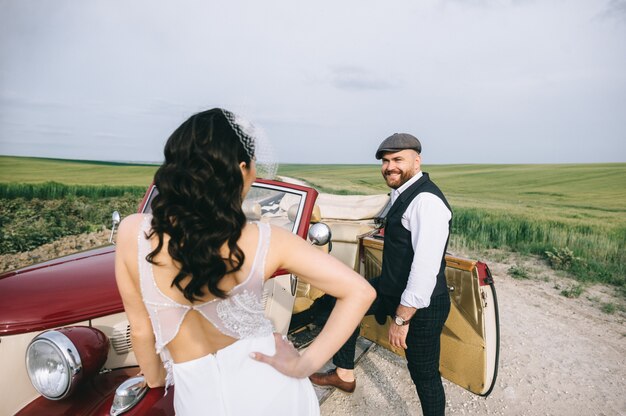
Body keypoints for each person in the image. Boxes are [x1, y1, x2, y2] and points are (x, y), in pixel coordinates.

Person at [114, 108, 376, 416]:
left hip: (197, 401)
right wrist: (306, 363)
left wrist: (156, 380)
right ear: (240, 169)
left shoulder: (132, 231)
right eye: (252, 165)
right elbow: (361, 292)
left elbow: (142, 330)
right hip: (272, 393)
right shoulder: (267, 238)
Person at [309, 133, 452, 416]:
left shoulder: (427, 202)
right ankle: (344, 374)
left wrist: (401, 318)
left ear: (417, 160)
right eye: (385, 161)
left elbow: (425, 269)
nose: (390, 166)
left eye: (398, 159)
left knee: (424, 375)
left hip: (419, 306)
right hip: (390, 289)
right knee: (343, 304)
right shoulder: (401, 195)